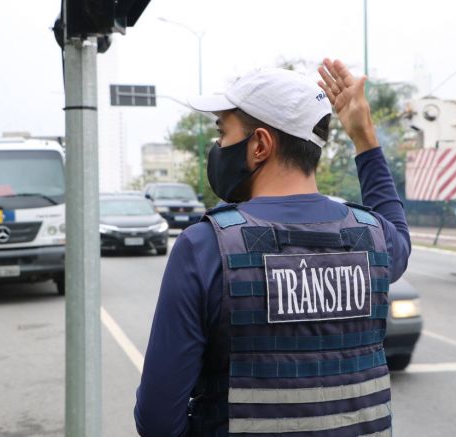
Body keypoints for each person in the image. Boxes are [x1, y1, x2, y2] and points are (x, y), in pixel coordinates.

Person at [134, 59, 411, 436]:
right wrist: (364, 138)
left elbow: (157, 420)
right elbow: (399, 234)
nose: (217, 147)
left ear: (260, 144)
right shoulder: (374, 237)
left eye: (223, 132)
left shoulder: (205, 247)